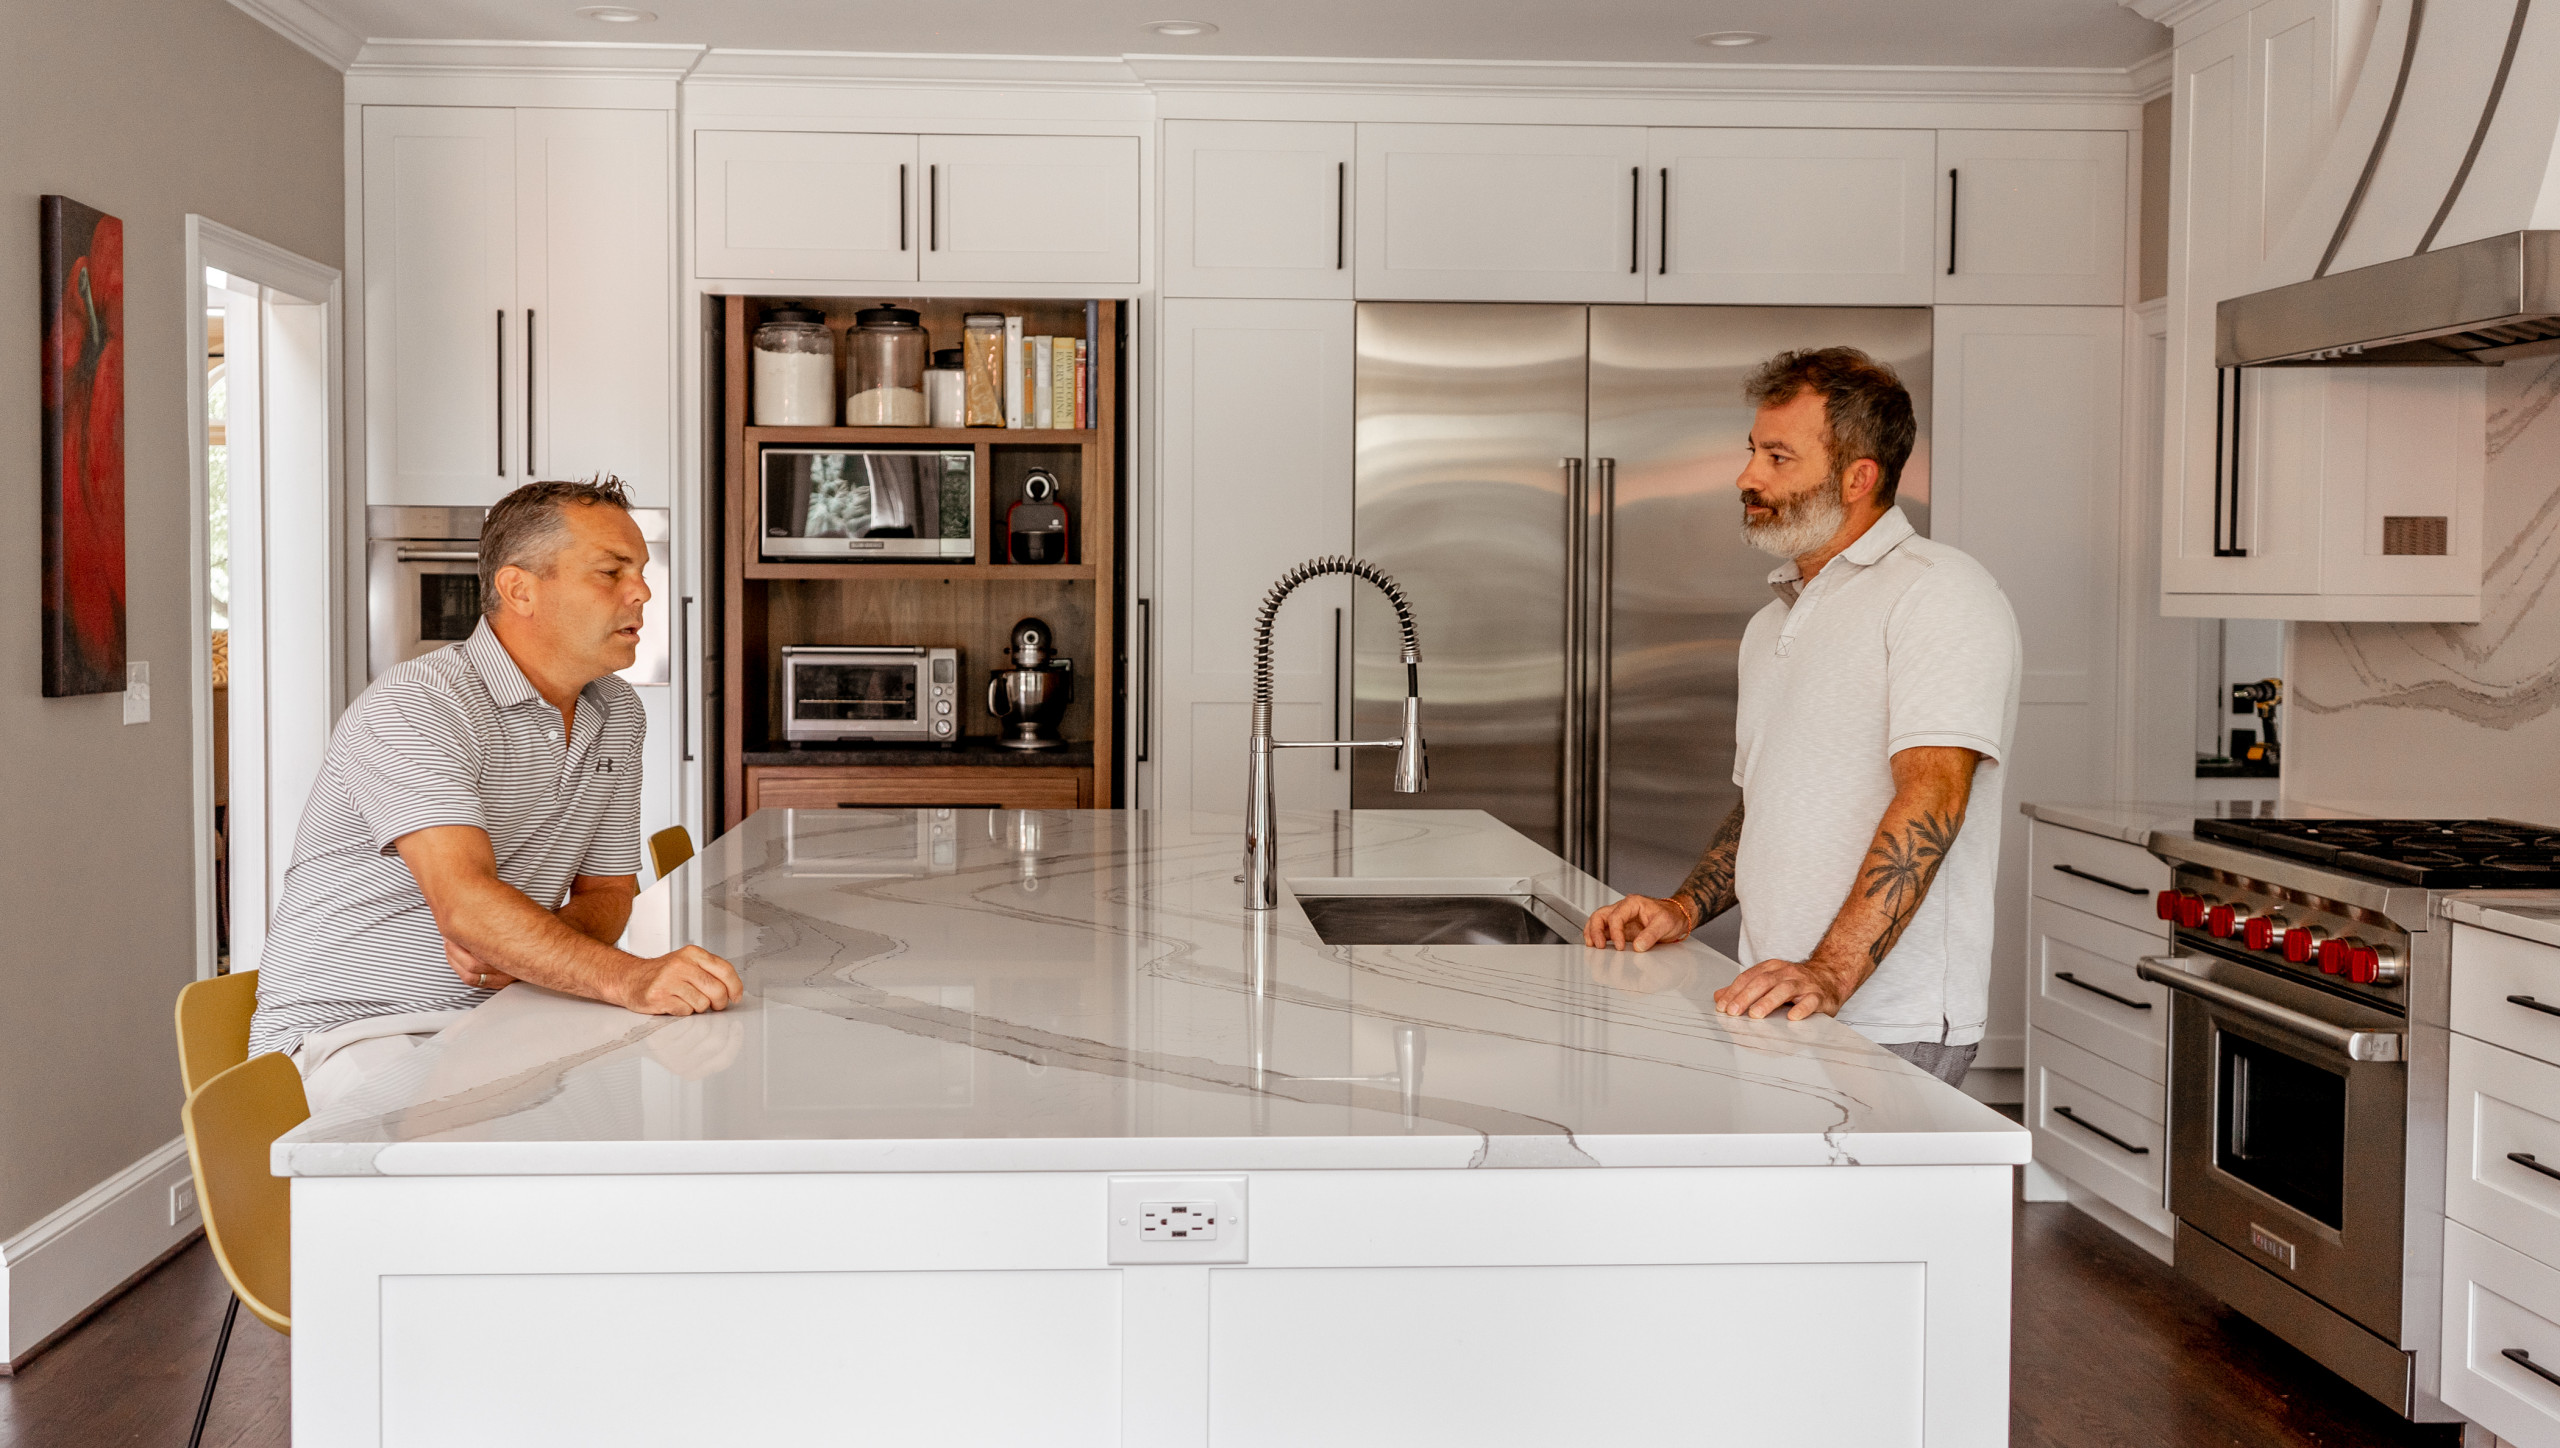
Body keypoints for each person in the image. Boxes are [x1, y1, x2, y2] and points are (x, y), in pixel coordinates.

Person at [1581, 348, 2020, 1087]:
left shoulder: (1940, 594)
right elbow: (1766, 801)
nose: (1748, 477)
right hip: (1772, 1000)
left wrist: (1830, 972)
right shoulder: (1772, 623)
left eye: (1778, 457)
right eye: (1754, 451)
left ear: (1858, 477)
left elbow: (1935, 797)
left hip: (1888, 1022)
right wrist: (1685, 907)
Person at [247, 477, 742, 1112]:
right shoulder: (418, 704)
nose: (643, 591)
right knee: (477, 1185)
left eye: (641, 572)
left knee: (654, 1115)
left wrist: (526, 955)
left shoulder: (617, 711)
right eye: (610, 571)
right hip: (362, 1030)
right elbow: (467, 907)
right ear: (519, 590)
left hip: (509, 1011)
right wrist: (630, 977)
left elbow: (610, 894)